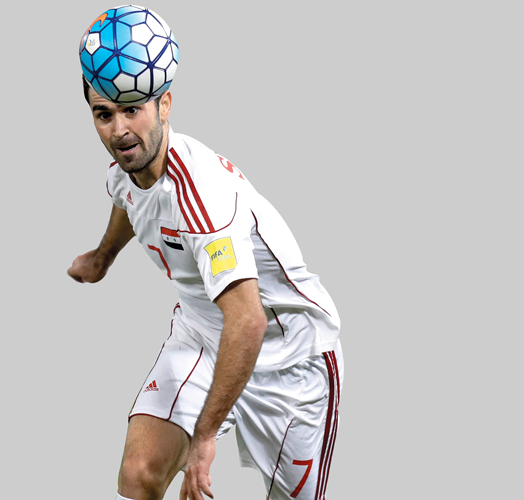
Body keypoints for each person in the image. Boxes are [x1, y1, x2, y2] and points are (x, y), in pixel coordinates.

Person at [69, 49, 342, 500]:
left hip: (289, 356)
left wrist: (204, 438)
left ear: (164, 104)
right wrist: (102, 259)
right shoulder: (126, 171)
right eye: (104, 114)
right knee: (138, 475)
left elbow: (248, 320)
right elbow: (129, 200)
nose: (119, 131)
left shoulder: (201, 196)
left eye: (132, 109)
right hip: (202, 334)